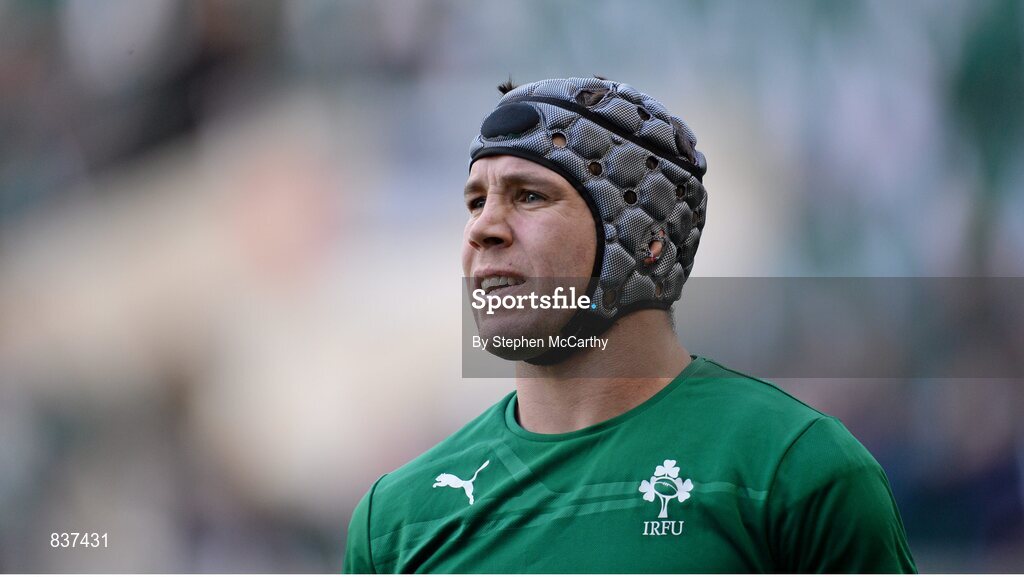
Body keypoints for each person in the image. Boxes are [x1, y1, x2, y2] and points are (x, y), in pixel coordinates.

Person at [343, 77, 916, 573]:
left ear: (646, 242)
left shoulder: (796, 470)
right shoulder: (396, 519)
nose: (482, 230)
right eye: (475, 202)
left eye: (530, 196)